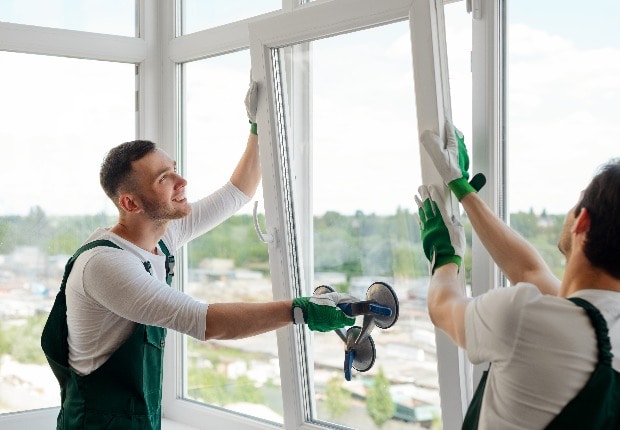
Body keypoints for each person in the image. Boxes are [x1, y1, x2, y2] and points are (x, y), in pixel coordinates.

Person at [41, 81, 356, 430]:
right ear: (131, 203)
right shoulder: (105, 265)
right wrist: (300, 310)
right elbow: (206, 322)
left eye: (173, 168)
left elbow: (237, 194)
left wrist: (257, 128)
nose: (182, 180)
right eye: (165, 178)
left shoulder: (160, 236)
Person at [415, 119, 620, 429]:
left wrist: (444, 255)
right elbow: (529, 270)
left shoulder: (526, 319)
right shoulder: (591, 320)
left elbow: (441, 307)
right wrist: (462, 188)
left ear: (583, 223)